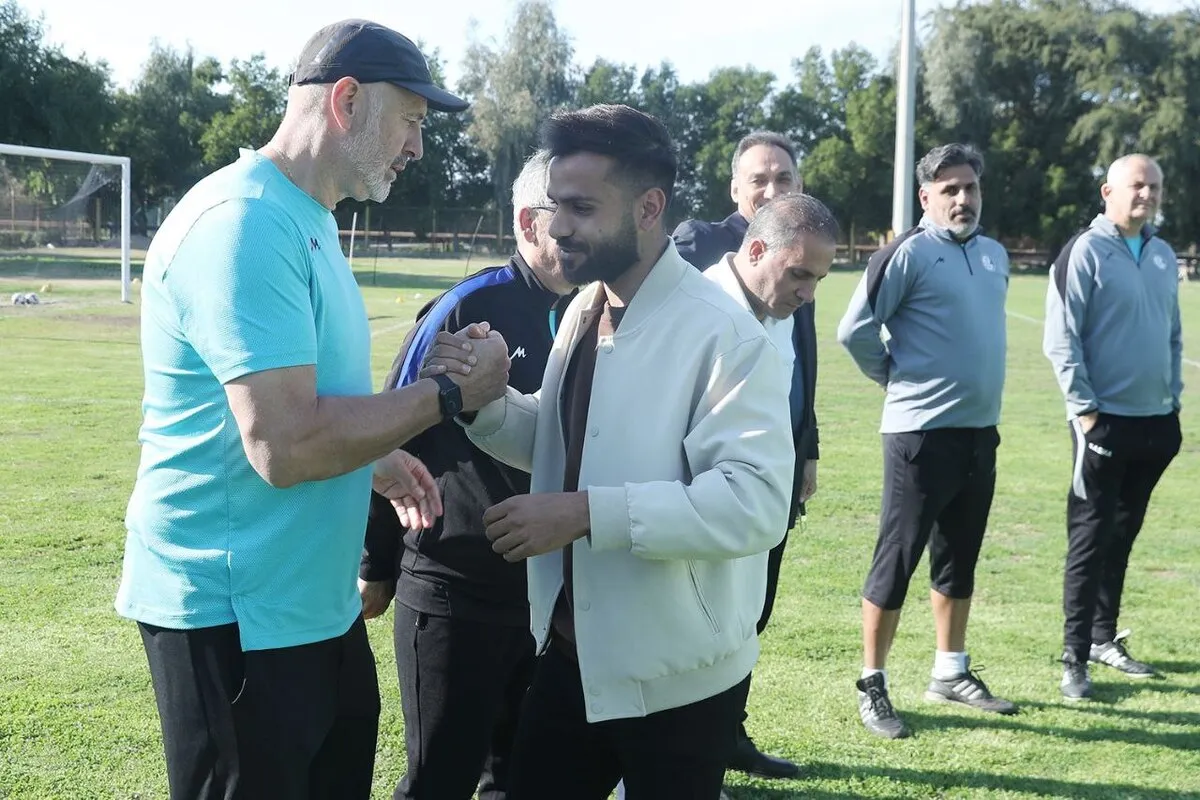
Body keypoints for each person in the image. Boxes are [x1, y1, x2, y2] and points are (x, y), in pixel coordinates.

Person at [114, 19, 510, 799]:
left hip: (311, 609)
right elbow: (284, 445)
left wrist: (373, 457)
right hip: (233, 613)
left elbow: (307, 406)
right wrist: (449, 394)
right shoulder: (243, 224)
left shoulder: (308, 220)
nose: (417, 147)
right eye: (411, 120)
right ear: (347, 100)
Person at [424, 104, 796, 800]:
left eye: (582, 207)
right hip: (573, 655)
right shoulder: (585, 306)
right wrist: (484, 402)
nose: (558, 226)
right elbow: (560, 439)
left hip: (681, 679)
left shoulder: (726, 334)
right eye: (555, 205)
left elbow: (754, 503)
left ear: (649, 208)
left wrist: (585, 514)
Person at [356, 149, 576, 800]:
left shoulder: (595, 313)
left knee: (517, 778)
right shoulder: (470, 307)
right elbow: (390, 428)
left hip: (545, 596)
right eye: (572, 211)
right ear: (530, 222)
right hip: (454, 587)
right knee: (438, 780)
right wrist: (376, 562)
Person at [836, 143, 1017, 740]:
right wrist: (895, 376)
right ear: (926, 197)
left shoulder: (993, 254)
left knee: (959, 557)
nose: (963, 199)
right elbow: (854, 331)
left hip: (979, 433)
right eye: (949, 190)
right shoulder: (907, 253)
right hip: (918, 435)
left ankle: (950, 670)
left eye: (970, 187)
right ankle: (872, 683)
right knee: (898, 559)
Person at [671, 130, 816, 779]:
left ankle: (729, 735)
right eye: (760, 178)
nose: (772, 189)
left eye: (784, 178)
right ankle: (693, 752)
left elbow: (801, 363)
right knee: (703, 612)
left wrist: (808, 447)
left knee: (752, 610)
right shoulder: (701, 249)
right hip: (711, 478)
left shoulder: (801, 252)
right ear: (736, 188)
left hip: (774, 470)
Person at [1042, 153, 1182, 701]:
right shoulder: (1084, 250)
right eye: (1137, 185)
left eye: (1154, 186)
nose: (1147, 194)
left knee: (1123, 535)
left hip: (1155, 423)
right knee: (1090, 537)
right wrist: (1086, 411)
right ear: (1108, 191)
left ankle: (1104, 638)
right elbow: (1062, 339)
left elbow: (1172, 332)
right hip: (1102, 425)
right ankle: (1074, 657)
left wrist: (1172, 400)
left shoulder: (1162, 253)